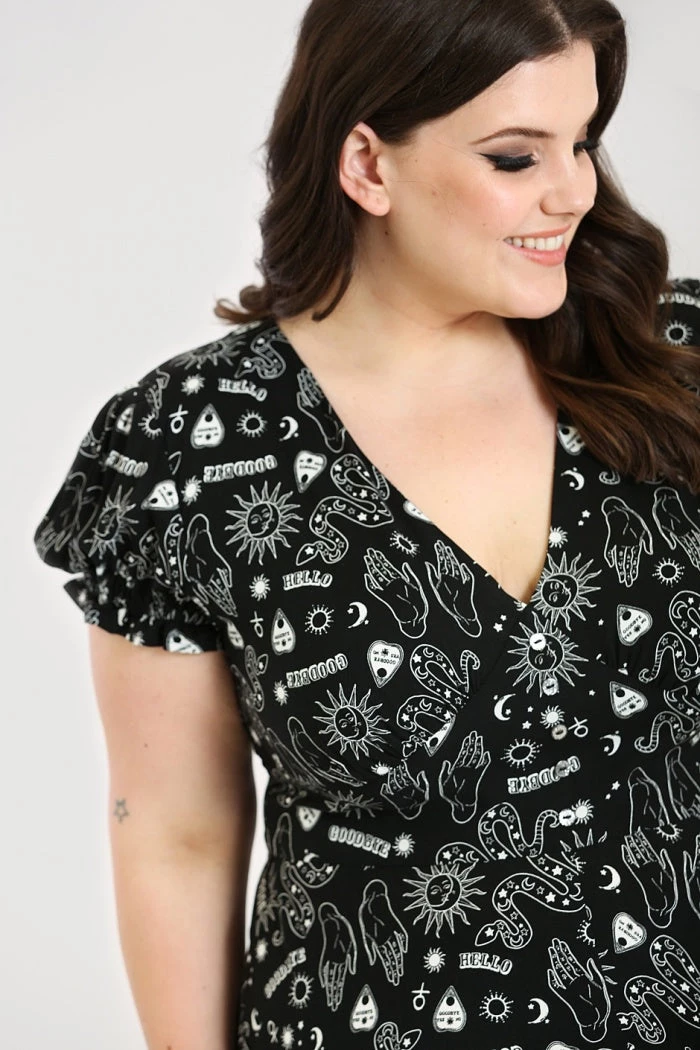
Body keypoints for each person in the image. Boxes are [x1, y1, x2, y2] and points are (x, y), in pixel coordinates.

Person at [32, 0, 700, 1047]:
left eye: (583, 142)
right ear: (367, 164)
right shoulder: (195, 442)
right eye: (516, 157)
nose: (574, 190)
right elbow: (175, 832)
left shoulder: (673, 364)